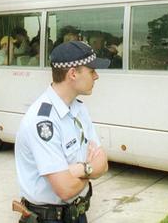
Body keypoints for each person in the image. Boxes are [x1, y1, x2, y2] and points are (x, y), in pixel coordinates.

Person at [14, 41, 110, 223]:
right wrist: (88, 171)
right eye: (91, 71)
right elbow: (65, 188)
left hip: (78, 214)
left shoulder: (79, 109)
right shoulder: (43, 121)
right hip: (49, 219)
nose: (96, 76)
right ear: (73, 73)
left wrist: (78, 170)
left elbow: (103, 163)